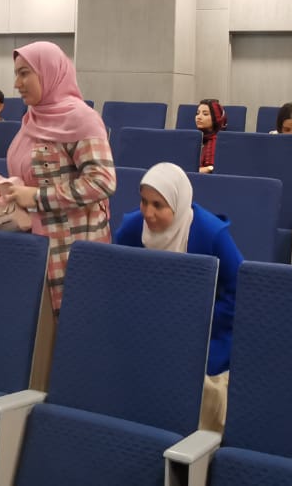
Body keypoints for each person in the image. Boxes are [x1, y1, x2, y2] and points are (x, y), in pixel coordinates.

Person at [113, 162, 242, 432]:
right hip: (147, 326)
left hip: (204, 331)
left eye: (158, 205)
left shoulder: (210, 233)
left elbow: (239, 288)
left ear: (178, 204)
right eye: (144, 202)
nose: (148, 213)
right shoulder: (132, 228)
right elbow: (118, 279)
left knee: (197, 380)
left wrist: (202, 324)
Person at [0, 41, 115, 313]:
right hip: (34, 245)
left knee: (68, 330)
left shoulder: (81, 118)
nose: (17, 84)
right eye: (16, 74)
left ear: (49, 72)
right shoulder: (32, 118)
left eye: (25, 73)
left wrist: (37, 197)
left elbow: (102, 181)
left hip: (70, 251)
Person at [195, 99, 227, 173]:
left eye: (205, 114)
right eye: (197, 113)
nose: (198, 117)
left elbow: (211, 168)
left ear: (216, 118)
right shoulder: (196, 139)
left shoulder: (219, 142)